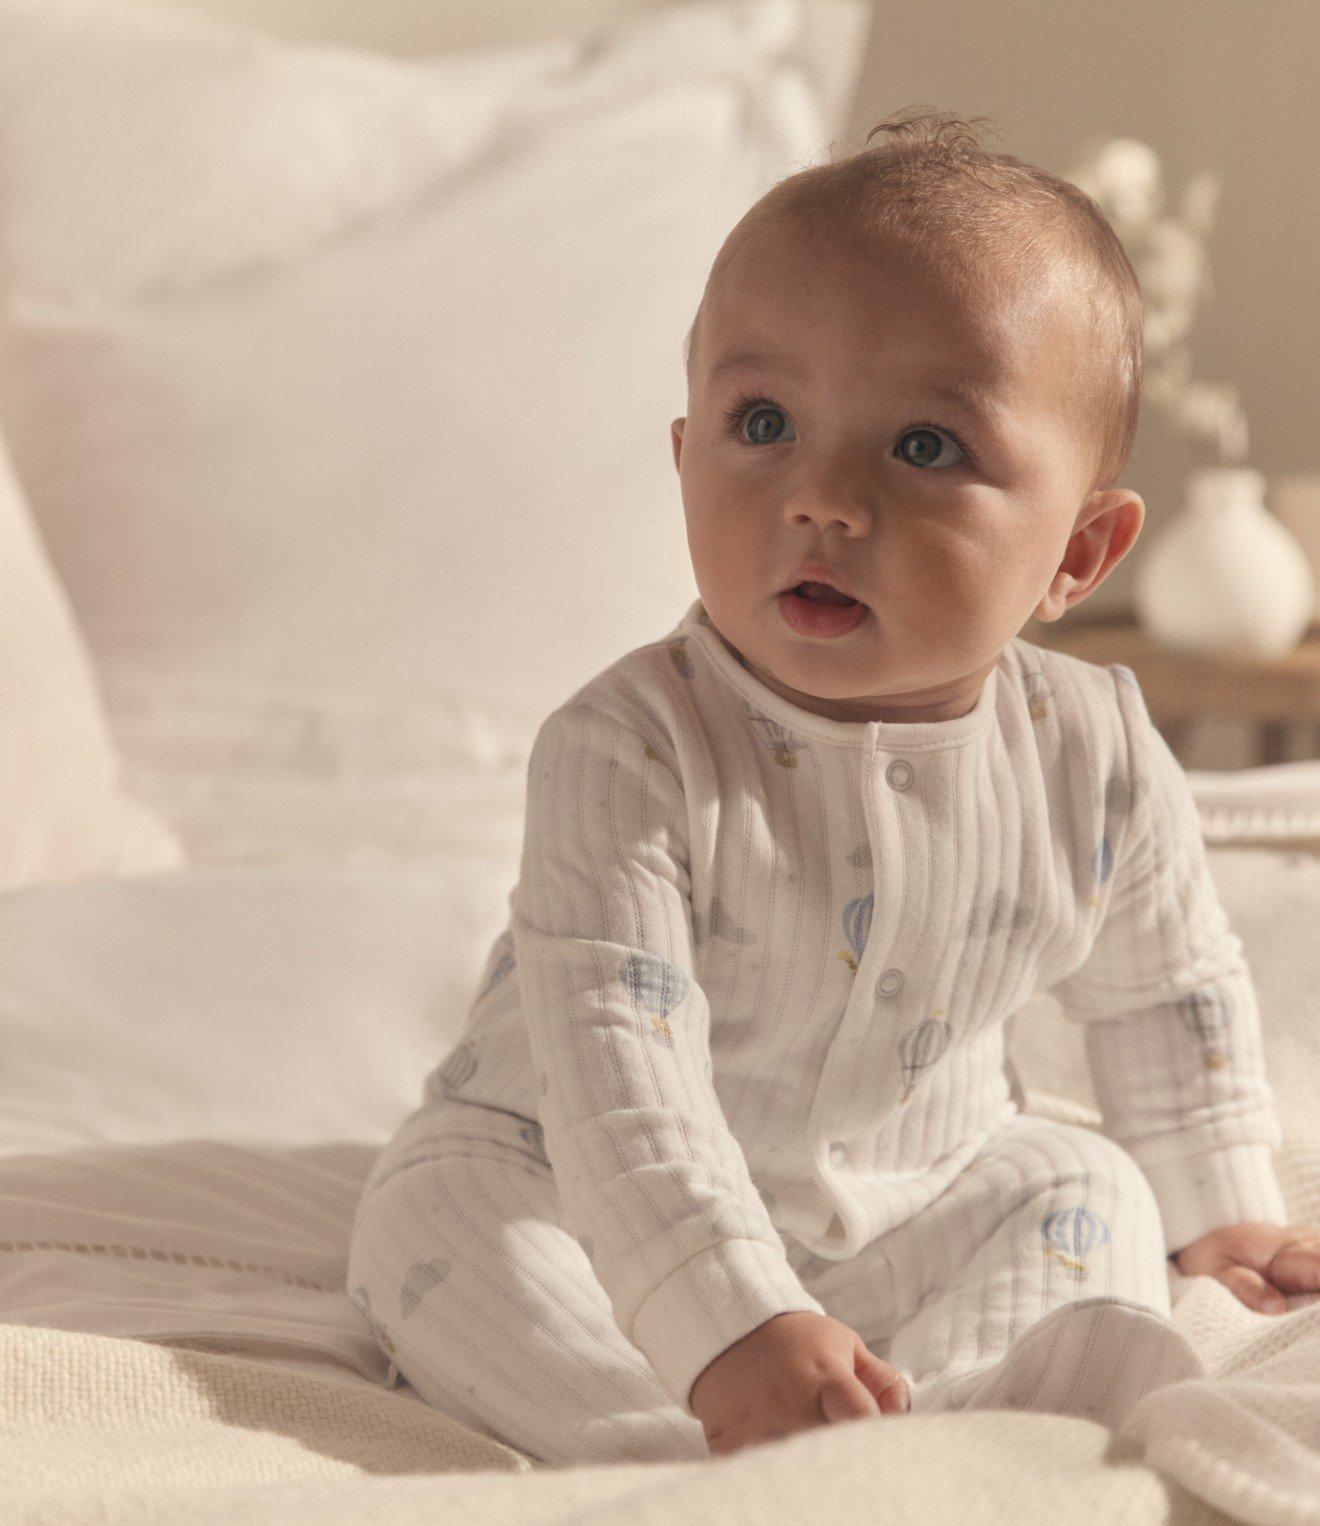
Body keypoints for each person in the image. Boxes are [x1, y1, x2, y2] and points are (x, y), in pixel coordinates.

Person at [345, 107, 1298, 1467]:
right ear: (686, 462)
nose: (823, 499)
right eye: (765, 421)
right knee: (434, 1226)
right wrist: (725, 1319)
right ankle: (682, 1450)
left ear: (1080, 552)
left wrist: (1226, 1206)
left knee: (1085, 1182)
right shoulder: (626, 749)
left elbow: (1164, 985)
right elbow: (627, 1086)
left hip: (915, 1189)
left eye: (924, 446)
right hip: (573, 1170)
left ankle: (950, 1408)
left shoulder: (1095, 746)